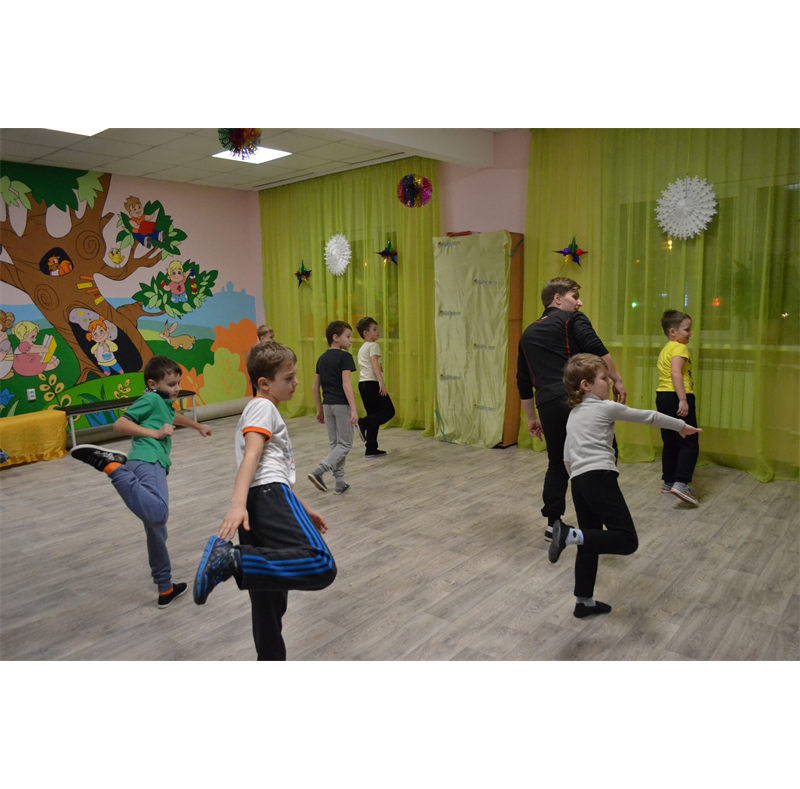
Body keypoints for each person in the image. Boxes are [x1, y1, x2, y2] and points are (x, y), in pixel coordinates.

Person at [192, 341, 336, 661]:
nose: (296, 382)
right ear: (264, 383)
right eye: (289, 377)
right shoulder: (263, 407)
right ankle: (231, 560)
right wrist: (236, 504)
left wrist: (304, 509)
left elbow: (273, 469)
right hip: (268, 496)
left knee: (267, 601)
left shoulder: (259, 409)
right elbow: (253, 457)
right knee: (320, 564)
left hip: (262, 499)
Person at [550, 354, 702, 618]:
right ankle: (569, 535)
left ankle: (583, 602)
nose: (609, 382)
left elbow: (566, 457)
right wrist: (681, 426)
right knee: (627, 540)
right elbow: (649, 417)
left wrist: (577, 478)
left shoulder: (574, 415)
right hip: (599, 477)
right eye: (604, 378)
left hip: (579, 482)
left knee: (590, 539)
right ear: (586, 385)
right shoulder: (605, 407)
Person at [70, 355, 212, 609]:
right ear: (152, 384)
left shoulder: (162, 402)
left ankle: (165, 588)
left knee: (157, 530)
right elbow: (120, 424)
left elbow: (173, 416)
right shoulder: (151, 398)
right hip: (149, 461)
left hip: (143, 462)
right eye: (171, 384)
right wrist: (155, 433)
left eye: (178, 383)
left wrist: (196, 426)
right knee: (158, 515)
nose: (176, 388)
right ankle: (113, 467)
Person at [517, 278, 626, 543]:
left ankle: (553, 524)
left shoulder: (527, 334)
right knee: (603, 454)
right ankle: (596, 516)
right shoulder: (572, 319)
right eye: (574, 296)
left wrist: (531, 418)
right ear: (557, 299)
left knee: (557, 463)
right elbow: (597, 349)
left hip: (547, 405)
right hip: (578, 400)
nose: (579, 303)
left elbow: (522, 380)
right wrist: (617, 379)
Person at [308, 321, 358, 495]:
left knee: (336, 445)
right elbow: (346, 385)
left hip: (328, 405)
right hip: (341, 405)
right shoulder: (345, 357)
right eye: (348, 336)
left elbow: (315, 387)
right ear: (336, 338)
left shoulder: (322, 358)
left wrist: (320, 409)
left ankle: (339, 483)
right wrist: (354, 409)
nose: (351, 340)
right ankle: (319, 471)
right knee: (345, 444)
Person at [656, 310, 700, 506]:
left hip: (663, 397)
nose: (690, 333)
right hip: (677, 396)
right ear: (673, 332)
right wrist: (683, 399)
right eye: (687, 330)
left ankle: (668, 482)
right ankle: (681, 484)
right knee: (689, 440)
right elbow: (676, 373)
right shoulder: (680, 348)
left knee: (670, 441)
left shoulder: (666, 349)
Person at [355, 316, 395, 458]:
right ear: (366, 333)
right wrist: (381, 382)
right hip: (372, 383)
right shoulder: (373, 346)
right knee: (389, 411)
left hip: (362, 384)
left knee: (374, 414)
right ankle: (362, 423)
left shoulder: (362, 348)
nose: (378, 331)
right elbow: (374, 363)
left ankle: (371, 448)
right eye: (374, 329)